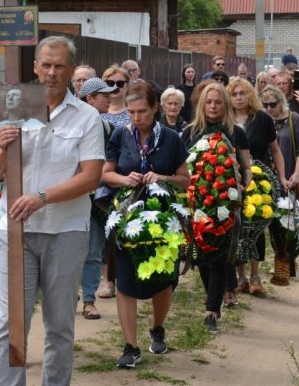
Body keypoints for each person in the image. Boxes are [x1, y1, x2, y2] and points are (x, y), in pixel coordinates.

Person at [0, 36, 105, 386]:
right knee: (11, 323)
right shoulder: (13, 110)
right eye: (46, 65)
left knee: (60, 325)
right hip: (15, 233)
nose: (52, 72)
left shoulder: (86, 118)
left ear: (70, 71)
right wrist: (4, 149)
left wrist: (41, 197)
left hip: (65, 231)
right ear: (35, 67)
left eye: (60, 66)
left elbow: (91, 177)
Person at [101, 81, 191, 368]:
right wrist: (125, 179)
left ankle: (157, 327)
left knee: (163, 279)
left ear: (156, 108)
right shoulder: (120, 134)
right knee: (125, 280)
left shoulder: (172, 139)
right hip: (127, 217)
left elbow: (185, 179)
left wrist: (161, 177)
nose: (136, 118)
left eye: (142, 111)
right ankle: (131, 346)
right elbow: (106, 174)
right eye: (131, 112)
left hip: (162, 218)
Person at [183, 83, 252, 333]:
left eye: (218, 102)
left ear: (225, 104)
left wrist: (245, 185)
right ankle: (212, 300)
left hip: (228, 202)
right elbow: (182, 167)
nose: (213, 106)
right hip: (198, 202)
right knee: (202, 255)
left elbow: (246, 165)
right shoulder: (190, 132)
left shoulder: (237, 132)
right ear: (202, 104)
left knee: (221, 257)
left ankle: (211, 310)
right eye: (209, 102)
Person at [228, 78, 288, 296]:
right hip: (233, 181)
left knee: (256, 225)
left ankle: (254, 275)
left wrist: (282, 177)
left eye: (243, 93)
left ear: (250, 95)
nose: (239, 98)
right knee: (236, 227)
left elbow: (276, 150)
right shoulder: (226, 120)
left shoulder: (262, 118)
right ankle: (240, 276)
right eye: (234, 94)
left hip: (260, 180)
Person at [77, 78, 118, 321]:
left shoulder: (106, 127)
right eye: (104, 95)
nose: (110, 98)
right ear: (89, 98)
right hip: (72, 197)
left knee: (93, 250)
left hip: (97, 199)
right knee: (68, 250)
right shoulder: (71, 124)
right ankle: (67, 295)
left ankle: (89, 300)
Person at [261, 84, 299, 284]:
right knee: (271, 224)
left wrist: (297, 174)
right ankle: (281, 259)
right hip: (266, 179)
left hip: (288, 178)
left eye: (273, 104)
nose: (269, 109)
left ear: (281, 102)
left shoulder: (293, 119)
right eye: (265, 105)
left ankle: (284, 261)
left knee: (287, 224)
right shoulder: (262, 120)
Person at [98, 64, 132, 299]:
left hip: (127, 177)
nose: (116, 88)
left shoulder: (134, 113)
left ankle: (125, 276)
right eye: (111, 84)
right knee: (104, 231)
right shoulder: (97, 113)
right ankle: (106, 279)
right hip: (99, 175)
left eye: (121, 83)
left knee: (124, 229)